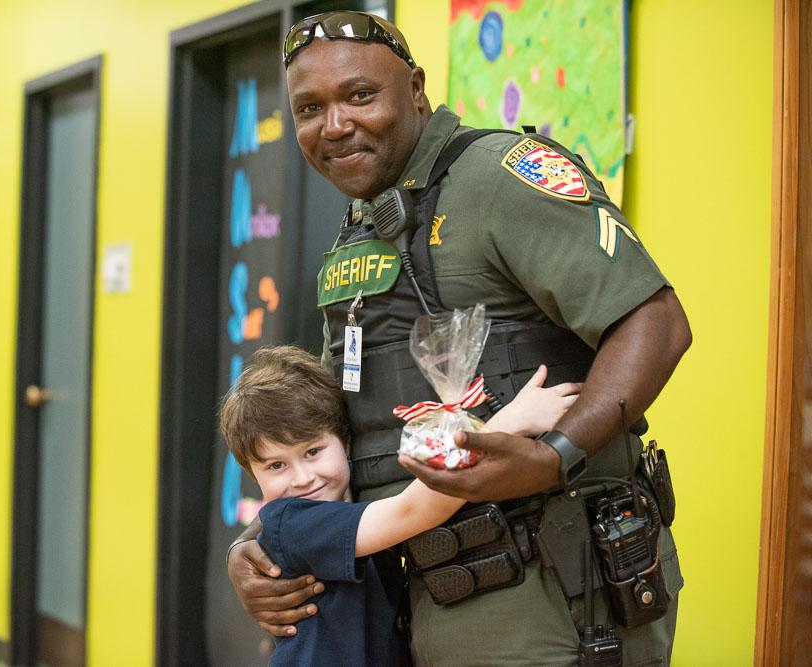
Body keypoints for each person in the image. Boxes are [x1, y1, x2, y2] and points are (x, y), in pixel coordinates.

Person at [228, 10, 692, 666]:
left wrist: (556, 452)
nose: (335, 125)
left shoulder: (497, 177)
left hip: (547, 601)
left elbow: (656, 321)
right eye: (310, 107)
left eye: (360, 95)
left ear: (416, 88)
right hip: (415, 603)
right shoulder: (358, 229)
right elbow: (339, 427)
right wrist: (263, 539)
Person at [219, 345, 579, 666]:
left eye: (312, 452)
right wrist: (510, 424)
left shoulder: (356, 505)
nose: (301, 478)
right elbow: (414, 510)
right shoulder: (293, 523)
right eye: (275, 465)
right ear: (252, 474)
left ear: (345, 442)